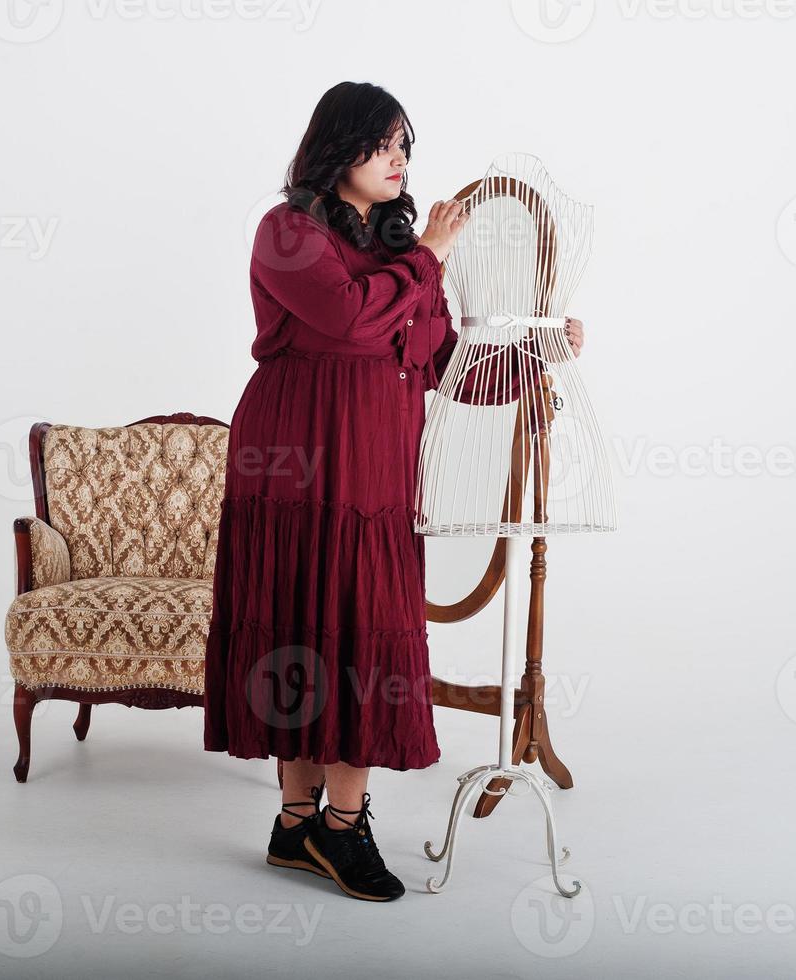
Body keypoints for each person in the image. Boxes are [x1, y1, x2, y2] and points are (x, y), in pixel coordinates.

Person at [202, 81, 585, 903]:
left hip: (374, 461)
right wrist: (432, 257)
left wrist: (535, 356)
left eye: (405, 146)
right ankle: (299, 822)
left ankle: (337, 826)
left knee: (360, 627)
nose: (399, 160)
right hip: (293, 451)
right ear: (338, 150)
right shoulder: (287, 231)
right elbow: (346, 320)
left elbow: (442, 364)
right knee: (298, 620)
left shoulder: (401, 245)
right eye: (382, 145)